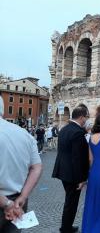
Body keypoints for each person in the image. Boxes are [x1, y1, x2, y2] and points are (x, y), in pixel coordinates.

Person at [0, 96, 42, 233]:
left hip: (8, 202)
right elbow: (37, 167)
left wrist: (6, 203)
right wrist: (23, 196)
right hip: (18, 200)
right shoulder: (24, 134)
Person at [52, 106, 90, 233]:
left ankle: (66, 226)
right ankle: (66, 228)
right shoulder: (78, 132)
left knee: (70, 201)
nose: (86, 120)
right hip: (73, 174)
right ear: (81, 117)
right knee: (71, 202)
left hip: (62, 170)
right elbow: (77, 158)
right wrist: (81, 179)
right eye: (86, 117)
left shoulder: (64, 129)